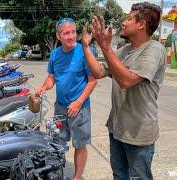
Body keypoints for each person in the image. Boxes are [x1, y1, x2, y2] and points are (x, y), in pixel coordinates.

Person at [81, 2, 166, 179]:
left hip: (139, 133)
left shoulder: (155, 49)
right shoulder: (123, 50)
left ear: (141, 24)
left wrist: (105, 47)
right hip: (117, 128)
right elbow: (98, 72)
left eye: (128, 19)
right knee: (119, 175)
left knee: (140, 177)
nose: (123, 22)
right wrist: (86, 47)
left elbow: (127, 80)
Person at [35, 18, 97, 180]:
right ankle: (57, 174)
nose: (70, 36)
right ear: (58, 36)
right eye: (66, 33)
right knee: (57, 143)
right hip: (60, 107)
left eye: (73, 32)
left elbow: (93, 80)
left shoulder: (84, 51)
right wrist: (43, 87)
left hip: (80, 108)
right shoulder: (55, 54)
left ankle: (76, 178)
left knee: (80, 144)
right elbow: (51, 78)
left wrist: (78, 102)